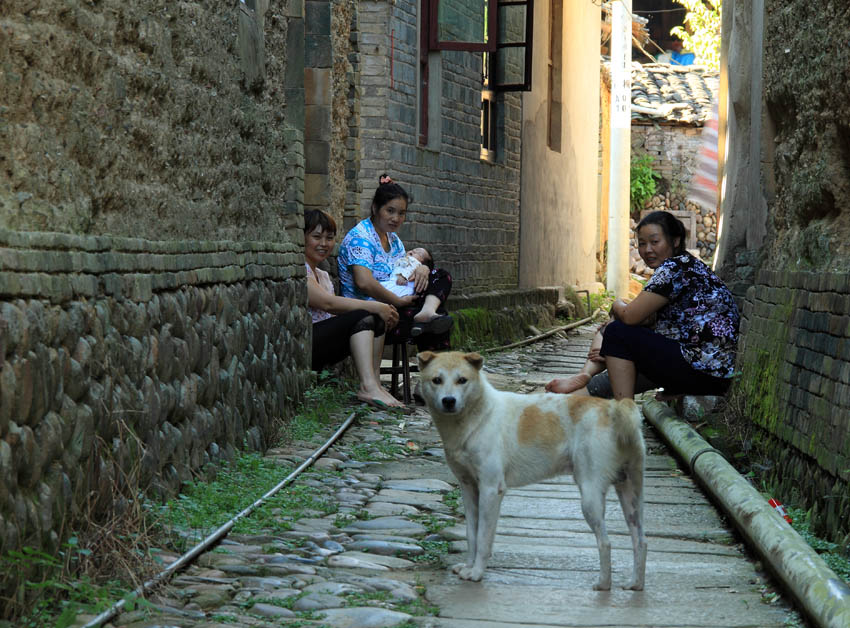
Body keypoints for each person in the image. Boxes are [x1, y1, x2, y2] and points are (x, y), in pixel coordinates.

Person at [546, 210, 739, 400]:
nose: (647, 250)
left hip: (703, 368)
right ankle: (572, 391)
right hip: (711, 371)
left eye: (655, 242)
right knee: (616, 341)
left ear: (676, 240)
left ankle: (624, 415)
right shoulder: (689, 265)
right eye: (642, 244)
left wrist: (616, 303)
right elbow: (647, 320)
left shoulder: (674, 267)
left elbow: (630, 315)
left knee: (616, 332)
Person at [304, 209, 405, 408]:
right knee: (365, 314)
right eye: (316, 237)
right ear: (303, 238)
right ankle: (367, 386)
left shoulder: (323, 275)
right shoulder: (301, 269)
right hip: (308, 344)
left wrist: (378, 312)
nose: (324, 244)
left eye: (329, 238)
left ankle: (374, 384)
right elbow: (327, 304)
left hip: (326, 341)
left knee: (375, 319)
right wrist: (375, 305)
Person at [338, 174, 453, 347]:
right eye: (390, 211)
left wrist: (423, 269)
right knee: (437, 321)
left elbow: (404, 269)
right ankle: (438, 369)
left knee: (440, 276)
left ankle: (427, 315)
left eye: (401, 213)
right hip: (368, 310)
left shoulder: (393, 239)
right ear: (376, 208)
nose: (396, 218)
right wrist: (397, 301)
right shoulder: (361, 238)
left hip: (395, 301)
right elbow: (363, 282)